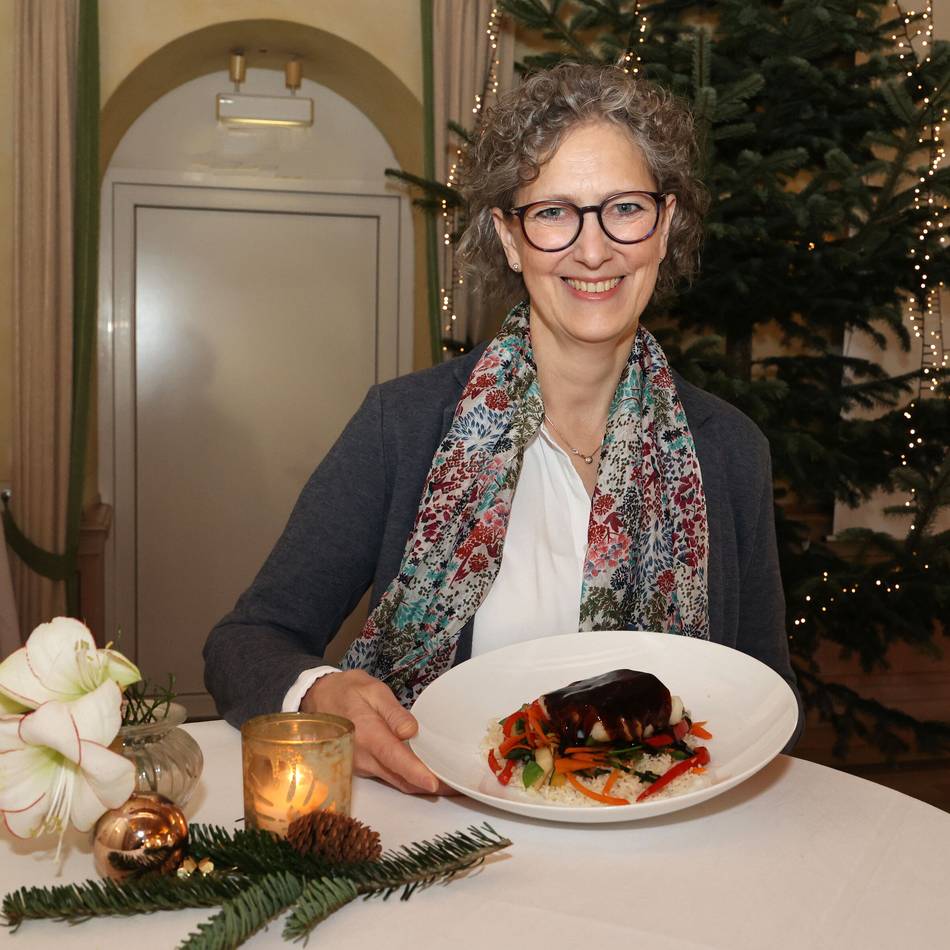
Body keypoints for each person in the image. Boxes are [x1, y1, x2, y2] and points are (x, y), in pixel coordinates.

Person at [204, 63, 801, 796]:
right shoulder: (405, 425)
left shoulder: (731, 450)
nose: (593, 249)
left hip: (661, 854)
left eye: (624, 208)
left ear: (664, 225)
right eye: (553, 212)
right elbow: (245, 643)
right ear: (510, 239)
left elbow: (767, 694)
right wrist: (323, 695)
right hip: (441, 847)